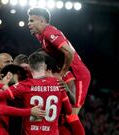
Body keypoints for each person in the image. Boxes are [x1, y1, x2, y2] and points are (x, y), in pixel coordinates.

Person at [0, 52, 72, 135]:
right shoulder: (54, 83)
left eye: (26, 69)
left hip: (25, 128)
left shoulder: (25, 84)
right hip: (11, 128)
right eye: (20, 69)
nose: (23, 72)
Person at [27, 7, 91, 135]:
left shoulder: (48, 32)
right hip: (67, 73)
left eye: (31, 20)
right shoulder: (41, 36)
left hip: (79, 75)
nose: (28, 23)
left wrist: (61, 73)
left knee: (71, 115)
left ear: (41, 20)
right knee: (62, 115)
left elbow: (69, 53)